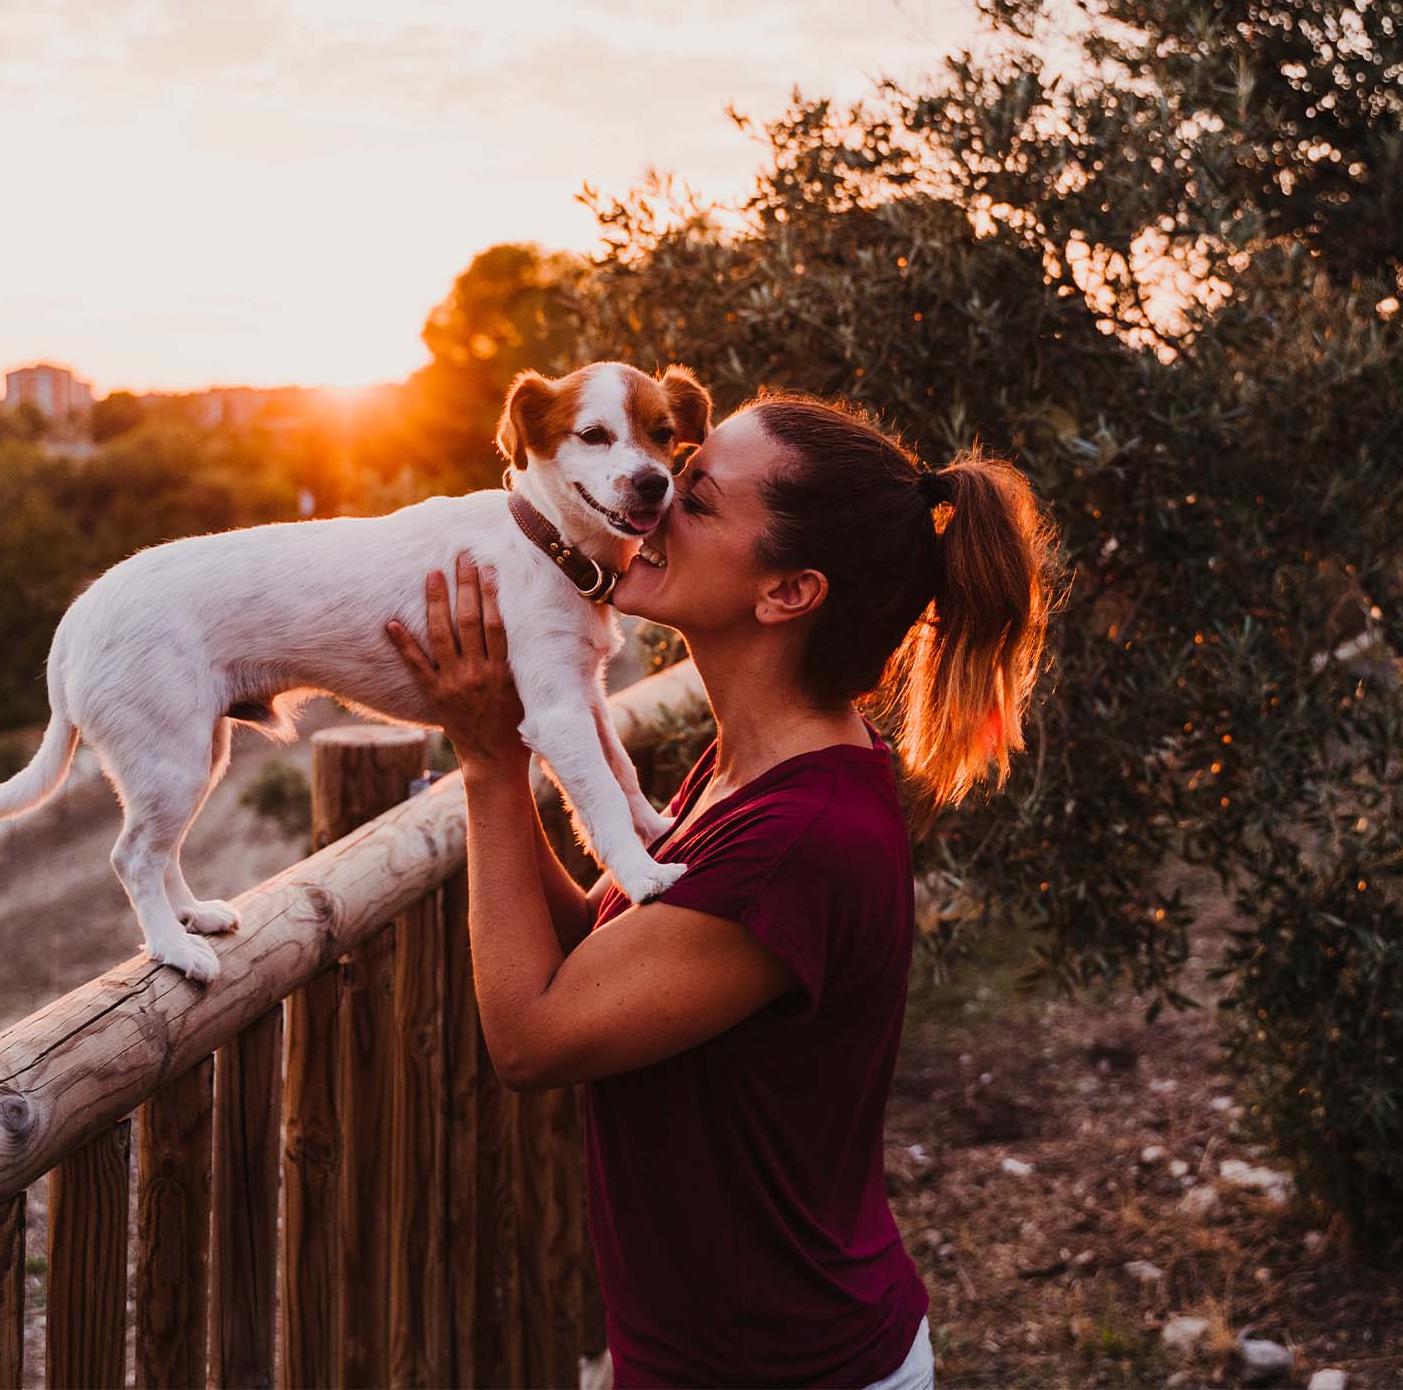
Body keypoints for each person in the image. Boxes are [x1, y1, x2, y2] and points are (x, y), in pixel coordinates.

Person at [386, 391, 1056, 1389]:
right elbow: (600, 960)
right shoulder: (751, 768)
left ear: (787, 592)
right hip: (742, 1346)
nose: (650, 503)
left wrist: (488, 762)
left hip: (788, 1363)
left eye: (695, 498)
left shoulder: (798, 839)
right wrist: (510, 718)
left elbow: (531, 1036)